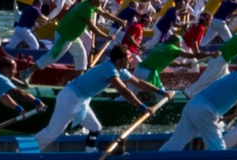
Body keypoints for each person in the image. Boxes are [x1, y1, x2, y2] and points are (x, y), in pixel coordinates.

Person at [35, 46, 165, 151]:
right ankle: (28, 149)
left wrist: (162, 92)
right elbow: (124, 91)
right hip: (71, 97)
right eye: (129, 58)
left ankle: (89, 151)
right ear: (119, 60)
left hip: (81, 99)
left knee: (95, 128)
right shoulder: (110, 69)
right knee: (54, 131)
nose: (131, 61)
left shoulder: (120, 70)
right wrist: (143, 107)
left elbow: (140, 83)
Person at [36, 0, 120, 70]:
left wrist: (120, 21)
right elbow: (92, 28)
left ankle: (80, 78)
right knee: (52, 57)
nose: (102, 1)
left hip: (73, 36)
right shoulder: (87, 9)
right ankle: (29, 71)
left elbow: (104, 13)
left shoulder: (90, 3)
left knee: (81, 56)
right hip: (65, 35)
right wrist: (107, 36)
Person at [185, 22, 237, 97]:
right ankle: (189, 91)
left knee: (225, 79)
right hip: (219, 60)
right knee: (208, 78)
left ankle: (222, 95)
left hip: (223, 62)